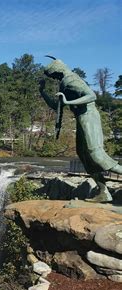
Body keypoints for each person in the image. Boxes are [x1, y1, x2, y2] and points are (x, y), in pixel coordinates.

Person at [39, 58, 122, 203]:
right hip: (81, 119)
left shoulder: (71, 80)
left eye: (54, 76)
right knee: (84, 156)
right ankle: (104, 192)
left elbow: (91, 95)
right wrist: (42, 92)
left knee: (96, 155)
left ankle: (105, 190)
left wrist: (69, 102)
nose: (54, 78)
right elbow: (56, 106)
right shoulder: (64, 83)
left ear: (58, 70)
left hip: (89, 117)